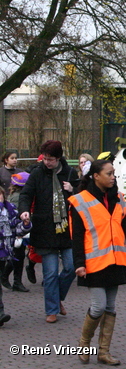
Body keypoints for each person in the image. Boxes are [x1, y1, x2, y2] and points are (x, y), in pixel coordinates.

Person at [70, 160, 126, 364]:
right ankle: (84, 344)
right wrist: (79, 263)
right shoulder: (80, 201)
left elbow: (125, 231)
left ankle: (103, 352)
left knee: (110, 307)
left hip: (116, 260)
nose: (113, 177)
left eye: (114, 173)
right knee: (98, 306)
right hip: (94, 263)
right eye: (109, 173)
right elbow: (76, 236)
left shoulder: (119, 198)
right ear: (96, 176)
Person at [18, 140, 77, 323]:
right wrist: (24, 210)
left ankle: (57, 297)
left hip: (66, 229)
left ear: (58, 158)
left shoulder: (70, 172)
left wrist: (73, 190)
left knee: (71, 266)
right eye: (45, 159)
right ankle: (51, 309)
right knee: (50, 273)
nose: (47, 162)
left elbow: (84, 196)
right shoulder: (37, 174)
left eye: (51, 159)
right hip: (44, 229)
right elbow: (26, 194)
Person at [0, 184, 32, 327]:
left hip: (3, 252)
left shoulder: (10, 210)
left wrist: (25, 224)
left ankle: (0, 313)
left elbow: (17, 230)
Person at [2, 172, 32, 292]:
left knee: (18, 255)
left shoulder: (15, 195)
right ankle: (11, 279)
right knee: (17, 256)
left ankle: (15, 280)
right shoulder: (18, 197)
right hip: (17, 230)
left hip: (18, 230)